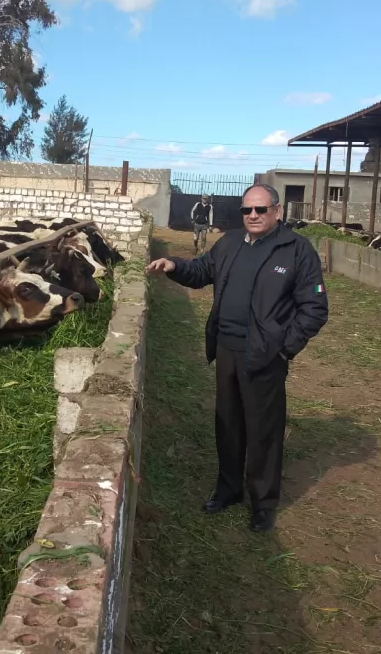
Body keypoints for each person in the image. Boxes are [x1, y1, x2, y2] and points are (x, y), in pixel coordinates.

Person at [146, 184, 329, 532]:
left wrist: (284, 347)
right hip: (227, 349)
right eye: (247, 210)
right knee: (227, 423)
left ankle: (263, 502)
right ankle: (228, 489)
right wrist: (174, 265)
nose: (253, 216)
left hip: (264, 354)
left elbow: (315, 308)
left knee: (263, 429)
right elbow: (202, 272)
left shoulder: (296, 250)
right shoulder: (229, 243)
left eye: (260, 209)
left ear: (276, 211)